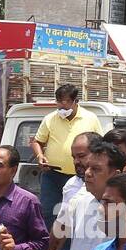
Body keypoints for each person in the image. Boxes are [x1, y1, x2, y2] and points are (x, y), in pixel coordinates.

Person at [29, 84, 103, 240]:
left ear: (76, 101)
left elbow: (99, 145)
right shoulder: (50, 118)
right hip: (52, 174)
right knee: (48, 212)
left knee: (75, 214)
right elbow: (37, 141)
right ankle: (47, 249)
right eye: (59, 102)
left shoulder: (90, 118)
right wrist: (39, 156)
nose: (62, 106)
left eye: (66, 102)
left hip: (81, 177)